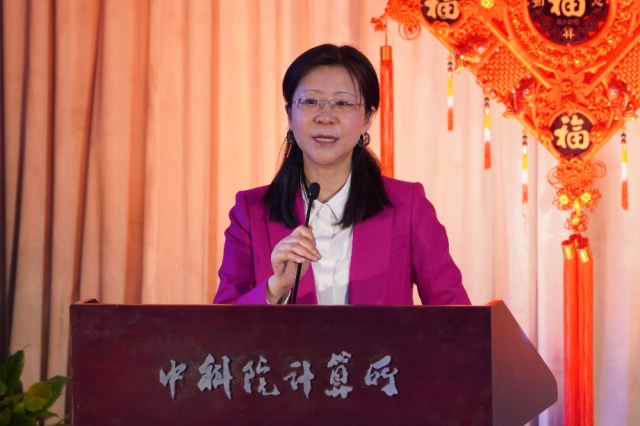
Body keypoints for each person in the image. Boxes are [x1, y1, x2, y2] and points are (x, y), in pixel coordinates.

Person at [213, 44, 470, 306]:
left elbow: (456, 317)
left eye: (343, 103)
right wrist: (275, 287)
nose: (326, 117)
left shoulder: (408, 206)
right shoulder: (250, 212)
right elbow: (222, 325)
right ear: (290, 114)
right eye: (310, 101)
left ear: (367, 118)